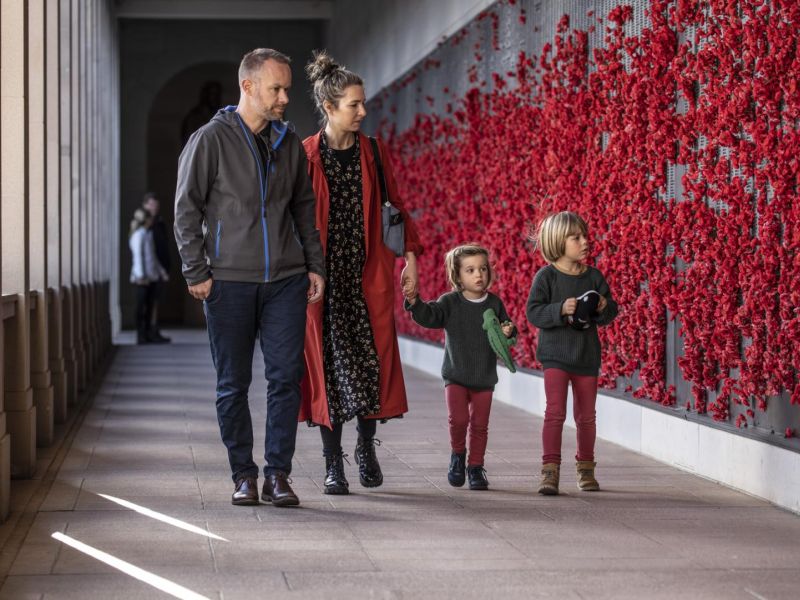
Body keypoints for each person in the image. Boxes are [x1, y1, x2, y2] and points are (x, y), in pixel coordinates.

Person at [174, 48, 326, 507]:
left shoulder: (287, 140)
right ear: (248, 87)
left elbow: (303, 209)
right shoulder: (209, 139)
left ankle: (279, 474)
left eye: (286, 89)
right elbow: (186, 210)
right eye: (276, 88)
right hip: (228, 282)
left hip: (285, 279)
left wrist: (313, 264)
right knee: (232, 384)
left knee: (285, 378)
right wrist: (196, 270)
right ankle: (243, 473)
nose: (284, 97)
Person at [299, 50, 424, 495]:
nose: (363, 111)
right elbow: (293, 219)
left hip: (368, 279)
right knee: (329, 374)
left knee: (372, 369)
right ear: (329, 107)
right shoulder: (306, 155)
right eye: (354, 104)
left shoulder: (373, 151)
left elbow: (395, 209)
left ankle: (366, 448)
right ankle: (333, 463)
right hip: (323, 286)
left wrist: (409, 256)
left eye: (363, 102)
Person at [403, 244, 515, 490]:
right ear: (457, 275)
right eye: (470, 270)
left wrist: (509, 330)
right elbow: (429, 316)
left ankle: (475, 467)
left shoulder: (494, 303)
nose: (479, 275)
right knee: (459, 419)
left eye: (483, 269)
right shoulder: (450, 302)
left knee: (480, 425)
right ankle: (457, 456)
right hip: (455, 375)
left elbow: (506, 329)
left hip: (484, 377)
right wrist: (414, 301)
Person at [526, 211, 618, 495]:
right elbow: (533, 312)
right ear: (557, 241)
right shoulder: (547, 276)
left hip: (586, 357)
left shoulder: (594, 276)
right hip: (555, 357)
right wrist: (558, 310)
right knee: (554, 413)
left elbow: (611, 312)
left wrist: (604, 306)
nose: (584, 241)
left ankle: (586, 470)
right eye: (575, 237)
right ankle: (550, 472)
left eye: (585, 236)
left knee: (586, 417)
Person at [129, 208, 168, 344]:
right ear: (145, 220)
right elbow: (138, 257)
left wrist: (161, 272)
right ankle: (141, 335)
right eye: (150, 218)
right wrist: (141, 276)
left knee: (150, 307)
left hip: (151, 277)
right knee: (141, 308)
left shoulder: (148, 234)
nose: (152, 220)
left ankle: (147, 333)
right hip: (142, 279)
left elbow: (153, 257)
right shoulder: (138, 235)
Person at [142, 192, 171, 343]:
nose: (154, 208)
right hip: (149, 270)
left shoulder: (159, 222)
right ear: (145, 205)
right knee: (148, 304)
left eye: (156, 205)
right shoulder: (143, 224)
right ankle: (148, 332)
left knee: (155, 303)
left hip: (160, 268)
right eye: (152, 205)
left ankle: (154, 330)